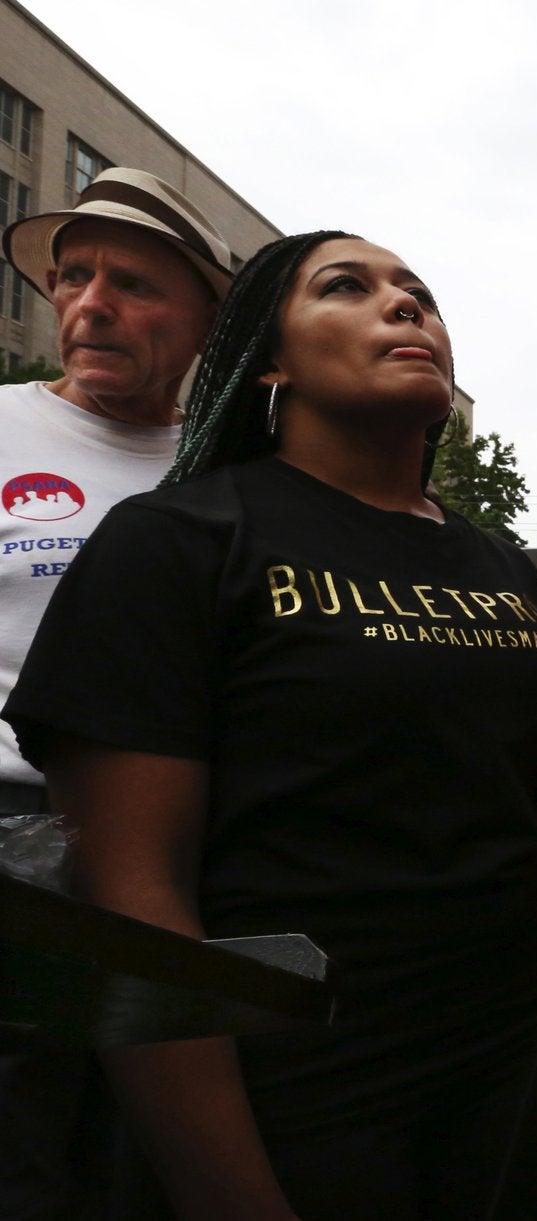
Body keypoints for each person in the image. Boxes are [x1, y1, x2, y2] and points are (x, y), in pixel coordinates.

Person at [2, 232, 537, 1218]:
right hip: (288, 1088)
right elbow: (131, 902)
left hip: (500, 1073)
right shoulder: (177, 542)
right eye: (349, 286)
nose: (404, 303)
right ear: (269, 363)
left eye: (418, 291)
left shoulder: (500, 565)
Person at [0, 166, 232, 1218]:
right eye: (75, 275)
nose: (91, 304)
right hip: (13, 844)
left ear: (203, 323)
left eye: (134, 283)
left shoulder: (235, 468)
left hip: (200, 851)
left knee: (160, 1151)